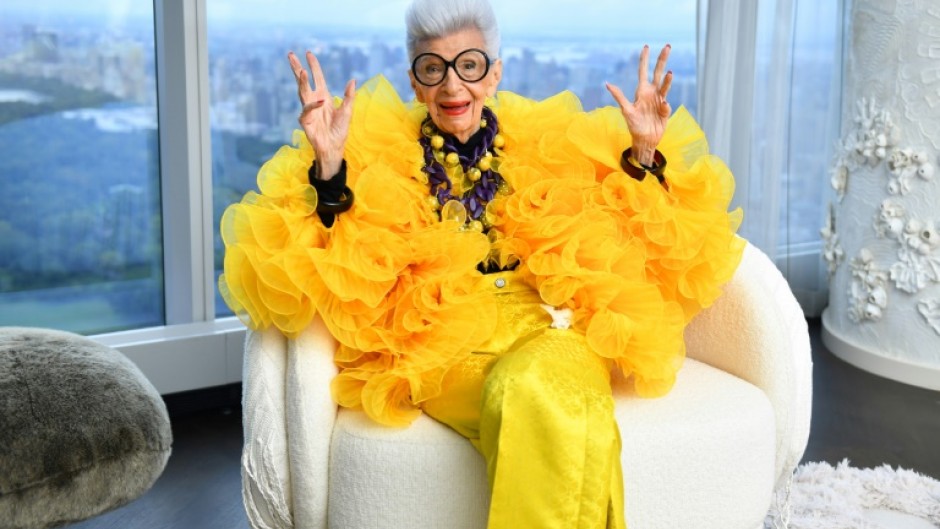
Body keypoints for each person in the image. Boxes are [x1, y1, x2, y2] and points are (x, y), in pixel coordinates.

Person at [220, 0, 744, 526]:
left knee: (539, 384)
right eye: (433, 68)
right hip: (442, 340)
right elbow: (327, 255)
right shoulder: (379, 151)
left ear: (494, 73)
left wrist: (646, 154)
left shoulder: (544, 140)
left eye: (468, 66)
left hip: (549, 324)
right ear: (415, 80)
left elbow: (621, 223)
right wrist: (331, 169)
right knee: (539, 399)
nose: (452, 88)